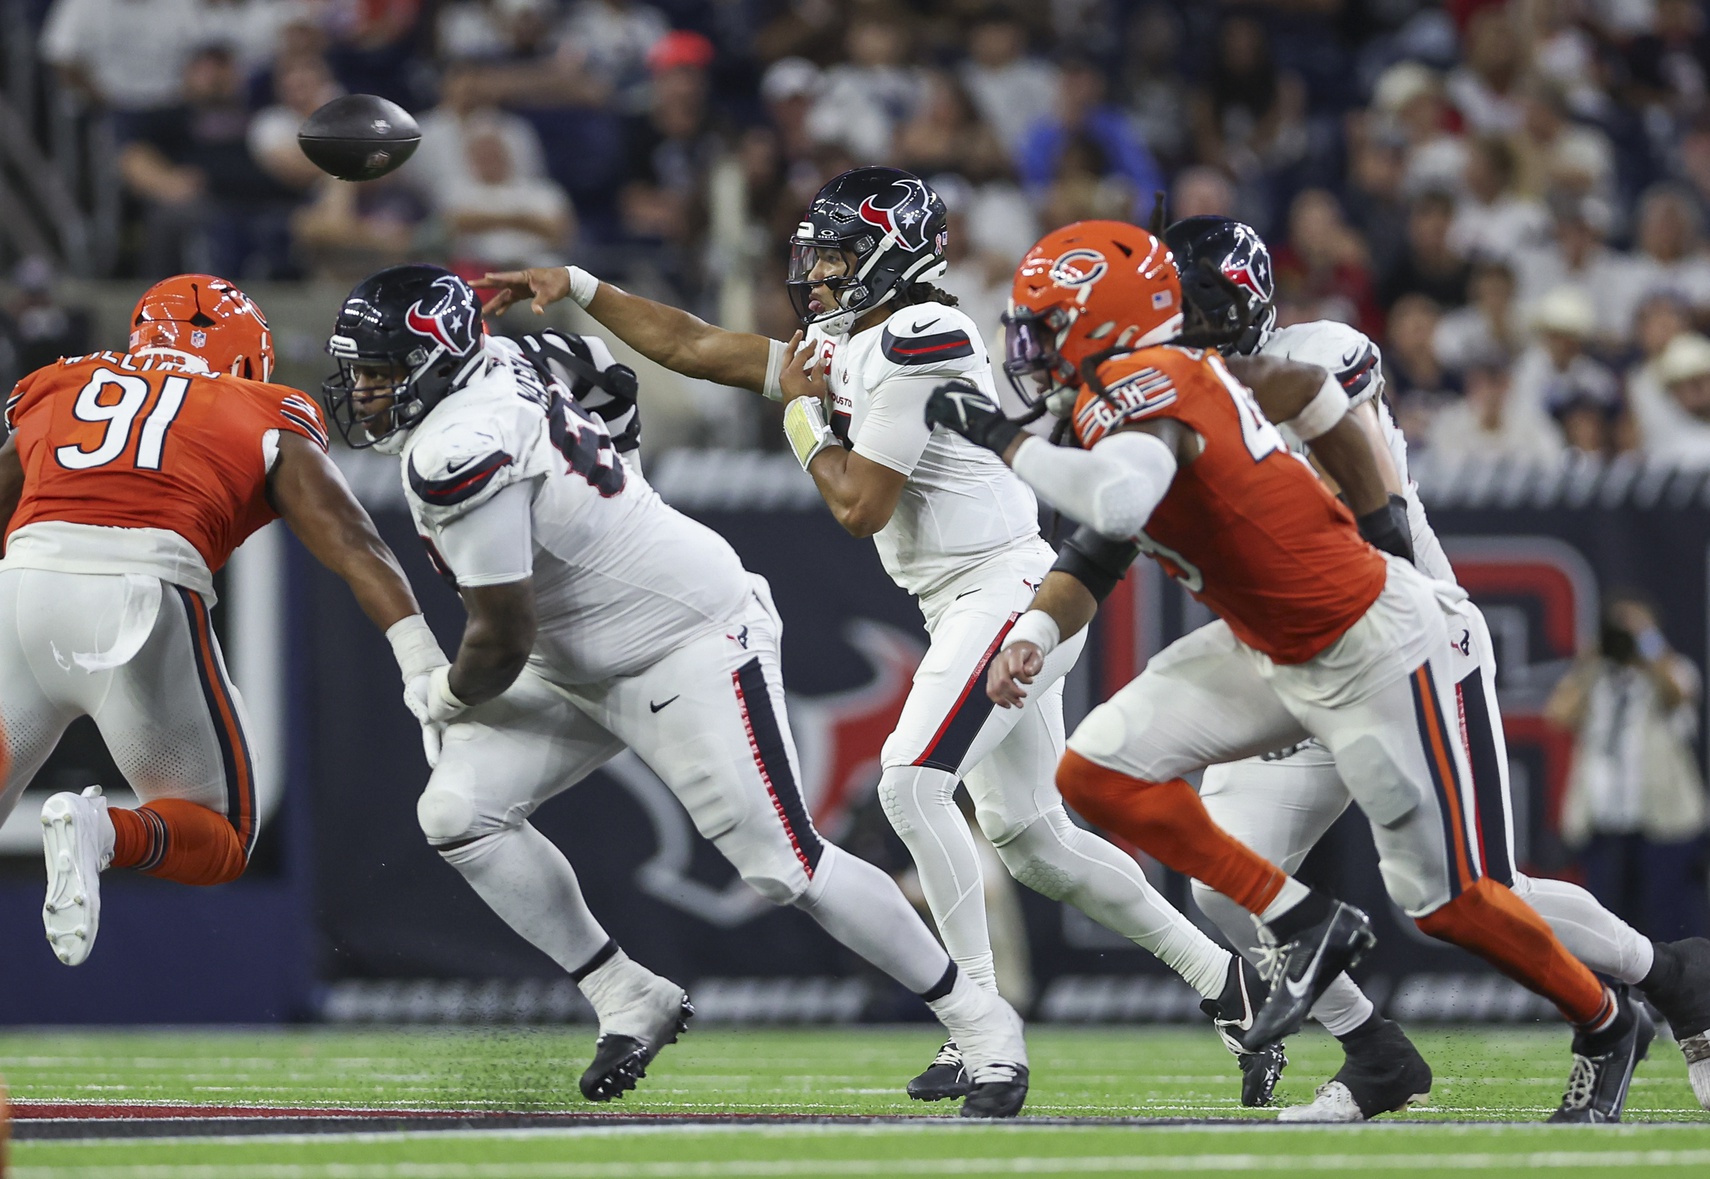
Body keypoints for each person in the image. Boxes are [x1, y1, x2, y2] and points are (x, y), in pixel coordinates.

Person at [475, 167, 1290, 1109]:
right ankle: (1230, 986)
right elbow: (701, 345)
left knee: (910, 786)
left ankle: (983, 1031)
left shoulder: (918, 334)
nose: (817, 275)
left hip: (1005, 589)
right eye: (816, 256)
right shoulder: (858, 335)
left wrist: (800, 421)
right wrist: (578, 288)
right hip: (971, 595)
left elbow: (861, 504)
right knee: (1031, 838)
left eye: (836, 256)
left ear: (893, 256)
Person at [924, 219, 1657, 1124]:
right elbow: (1108, 535)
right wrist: (1034, 627)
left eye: (1045, 325)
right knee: (1098, 770)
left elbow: (1164, 468)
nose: (1026, 348)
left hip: (1374, 639)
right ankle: (1327, 957)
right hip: (1269, 643)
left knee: (1453, 899)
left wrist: (1007, 439)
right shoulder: (1138, 388)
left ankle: (1610, 1011)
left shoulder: (1181, 377)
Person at [323, 263, 1030, 1117]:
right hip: (576, 659)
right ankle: (626, 992)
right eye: (359, 371)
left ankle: (983, 1025)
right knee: (458, 814)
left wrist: (440, 693)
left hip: (684, 644)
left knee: (784, 865)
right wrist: (621, 465)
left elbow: (500, 639)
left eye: (380, 373)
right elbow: (596, 366)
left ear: (434, 365)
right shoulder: (506, 362)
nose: (363, 391)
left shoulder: (457, 449)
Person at [1162, 214, 1710, 1120]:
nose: (1186, 327)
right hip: (1291, 665)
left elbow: (1326, 466)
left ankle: (1673, 977)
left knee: (1475, 891)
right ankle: (1374, 1050)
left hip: (1404, 647)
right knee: (1224, 876)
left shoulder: (1322, 352)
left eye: (1199, 308)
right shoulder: (1163, 396)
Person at [0, 274, 434, 971]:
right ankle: (102, 831)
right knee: (223, 833)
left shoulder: (61, 384)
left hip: (20, 593)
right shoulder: (259, 406)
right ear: (240, 357)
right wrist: (420, 657)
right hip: (138, 596)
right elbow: (353, 541)